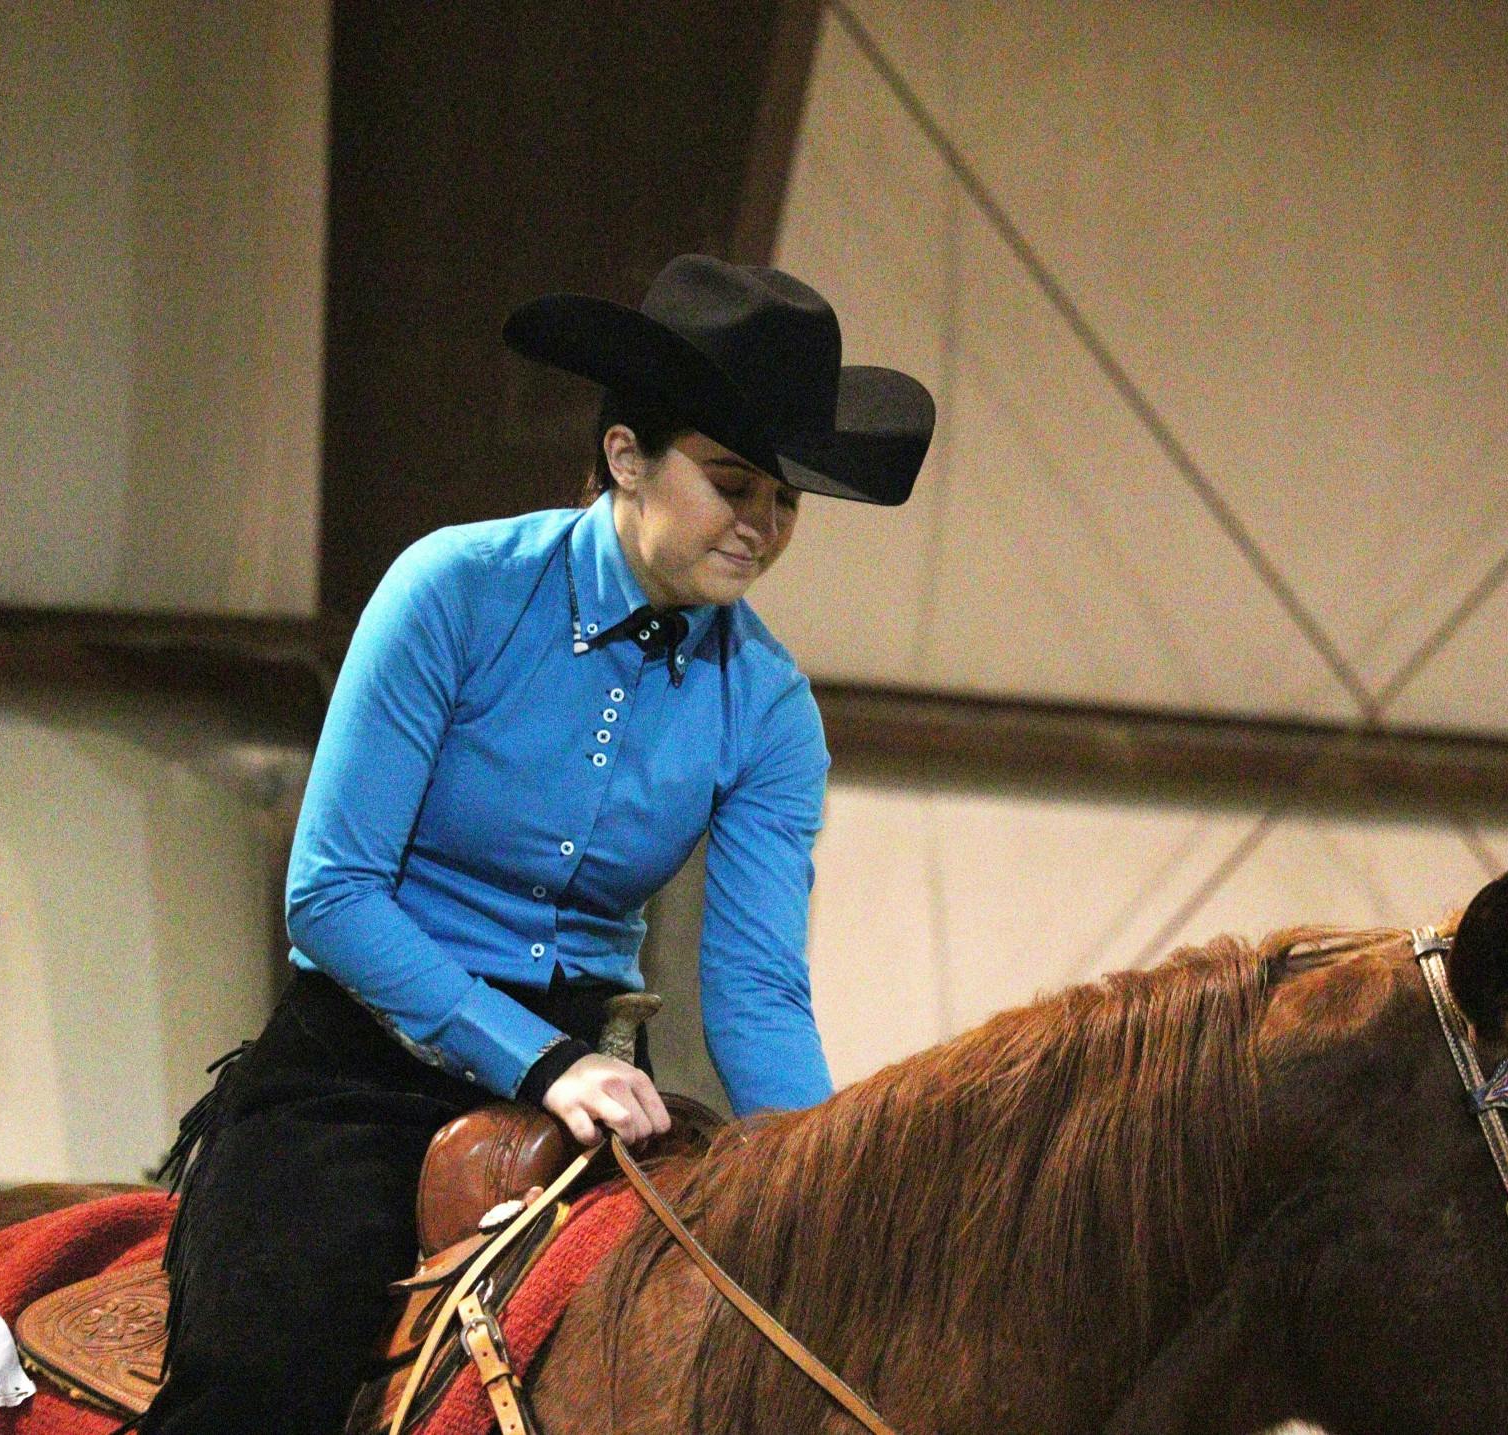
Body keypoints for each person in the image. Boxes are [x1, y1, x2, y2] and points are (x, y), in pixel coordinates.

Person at [138, 254, 935, 1433]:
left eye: (785, 500)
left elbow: (759, 991)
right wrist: (537, 1061)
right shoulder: (452, 590)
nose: (761, 527)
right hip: (357, 1070)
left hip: (590, 1098)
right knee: (259, 1383)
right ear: (626, 457)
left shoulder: (770, 708)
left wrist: (828, 1181)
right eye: (730, 484)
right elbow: (332, 892)